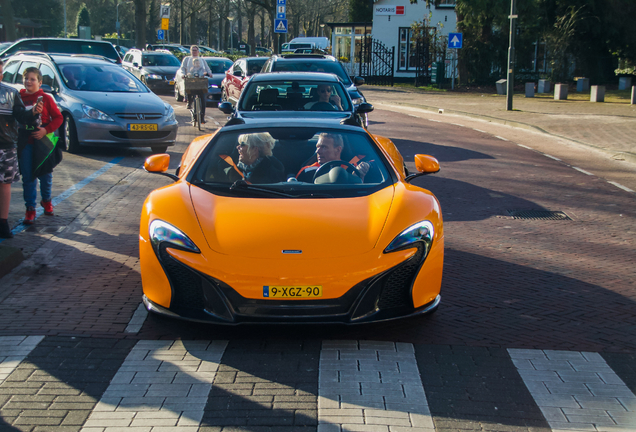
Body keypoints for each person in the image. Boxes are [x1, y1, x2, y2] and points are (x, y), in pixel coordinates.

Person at [0, 60, 43, 238]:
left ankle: (3, 222)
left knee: (5, 184)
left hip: (6, 145)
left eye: (0, 72)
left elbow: (21, 116)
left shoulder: (10, 93)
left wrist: (33, 112)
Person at [18, 67, 64, 225]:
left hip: (43, 142)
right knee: (28, 177)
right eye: (26, 78)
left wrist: (46, 130)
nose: (28, 82)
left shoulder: (45, 98)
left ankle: (46, 200)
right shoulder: (19, 97)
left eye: (32, 79)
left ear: (40, 82)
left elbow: (58, 118)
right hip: (25, 142)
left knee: (45, 175)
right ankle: (30, 209)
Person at [296, 133, 369, 183]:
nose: (318, 151)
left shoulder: (352, 170)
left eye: (324, 147)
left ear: (338, 150)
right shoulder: (307, 171)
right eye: (317, 147)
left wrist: (358, 177)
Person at [218, 133, 284, 184]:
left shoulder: (271, 174)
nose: (237, 147)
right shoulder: (232, 167)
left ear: (255, 149)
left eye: (242, 145)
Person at [180, 45, 212, 123]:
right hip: (191, 80)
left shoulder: (202, 60)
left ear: (198, 51)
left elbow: (207, 68)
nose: (194, 52)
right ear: (190, 51)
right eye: (193, 50)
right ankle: (189, 101)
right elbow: (183, 69)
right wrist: (183, 74)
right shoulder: (187, 59)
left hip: (200, 81)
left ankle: (202, 117)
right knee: (189, 89)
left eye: (195, 50)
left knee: (203, 99)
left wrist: (209, 73)